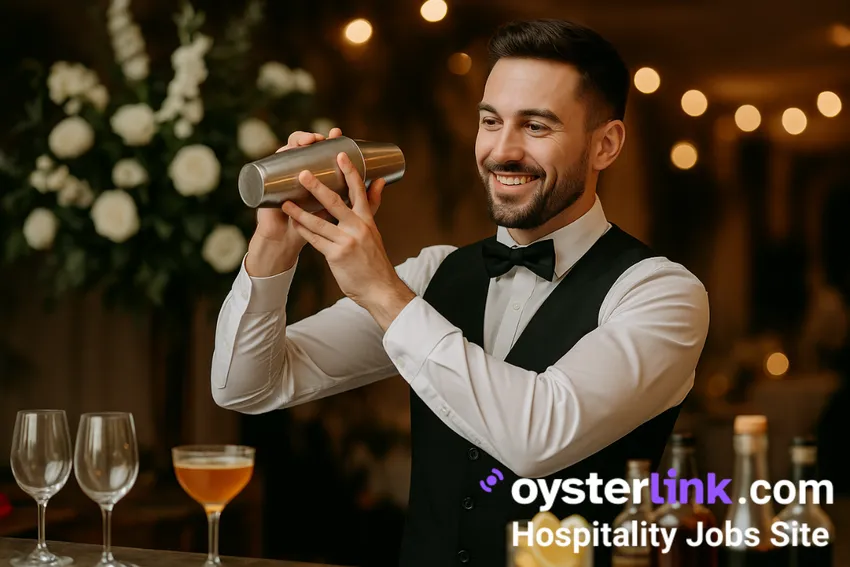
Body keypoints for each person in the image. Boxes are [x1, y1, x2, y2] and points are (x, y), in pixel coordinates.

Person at [211, 18, 710, 567]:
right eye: (490, 121)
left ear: (606, 145)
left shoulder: (660, 293)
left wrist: (382, 292)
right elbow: (247, 388)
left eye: (537, 127)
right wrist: (272, 253)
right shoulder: (433, 276)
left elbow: (536, 437)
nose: (502, 150)